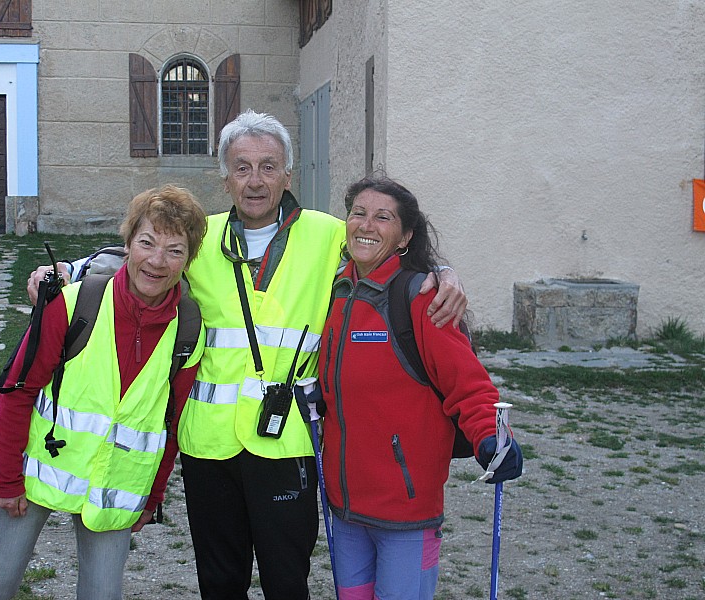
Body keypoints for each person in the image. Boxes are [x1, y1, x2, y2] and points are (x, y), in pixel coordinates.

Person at [27, 110, 468, 600]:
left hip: (287, 443)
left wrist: (443, 271)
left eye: (268, 166)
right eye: (242, 167)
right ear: (225, 177)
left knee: (286, 582)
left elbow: (384, 241)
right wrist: (72, 266)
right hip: (207, 443)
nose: (255, 180)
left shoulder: (326, 233)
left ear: (287, 175)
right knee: (219, 583)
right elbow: (139, 254)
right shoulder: (202, 235)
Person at [0, 185, 208, 600]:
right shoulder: (74, 304)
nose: (157, 261)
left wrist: (154, 494)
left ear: (188, 259)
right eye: (147, 242)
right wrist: (4, 479)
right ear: (127, 242)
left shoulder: (189, 329)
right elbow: (18, 390)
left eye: (175, 250)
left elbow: (172, 422)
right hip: (36, 469)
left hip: (116, 485)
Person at [316, 175, 523, 600]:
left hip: (406, 510)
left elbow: (468, 381)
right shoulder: (338, 292)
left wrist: (490, 436)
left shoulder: (423, 297)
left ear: (405, 235)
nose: (366, 225)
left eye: (383, 217)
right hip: (346, 509)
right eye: (358, 213)